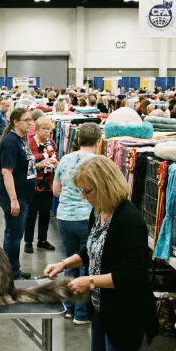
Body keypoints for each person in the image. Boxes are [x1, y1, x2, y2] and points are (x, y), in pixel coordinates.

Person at [44, 156, 159, 351]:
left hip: (126, 314)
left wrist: (91, 281)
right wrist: (63, 263)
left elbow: (132, 274)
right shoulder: (99, 213)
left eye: (87, 191)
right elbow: (90, 251)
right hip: (102, 310)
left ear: (104, 186)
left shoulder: (128, 220)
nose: (84, 197)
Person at [53, 123, 101, 326]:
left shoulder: (65, 159)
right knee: (86, 264)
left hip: (63, 217)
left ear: (78, 139)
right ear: (98, 142)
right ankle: (81, 314)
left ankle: (68, 308)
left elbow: (56, 191)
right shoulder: (98, 162)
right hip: (85, 218)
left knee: (69, 262)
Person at [0, 108, 52, 280]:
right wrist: (14, 200)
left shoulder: (22, 140)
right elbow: (6, 172)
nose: (30, 123)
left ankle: (14, 268)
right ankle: (10, 272)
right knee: (14, 234)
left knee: (15, 233)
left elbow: (24, 166)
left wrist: (41, 163)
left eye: (31, 120)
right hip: (15, 196)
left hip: (23, 195)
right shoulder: (10, 142)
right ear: (15, 122)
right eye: (26, 120)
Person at [24, 116, 58, 254]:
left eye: (48, 129)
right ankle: (28, 242)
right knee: (31, 214)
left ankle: (42, 240)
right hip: (34, 183)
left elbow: (55, 156)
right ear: (37, 129)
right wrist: (43, 161)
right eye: (43, 129)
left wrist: (56, 162)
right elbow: (29, 161)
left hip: (48, 183)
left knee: (45, 213)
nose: (46, 131)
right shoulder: (31, 142)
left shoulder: (52, 142)